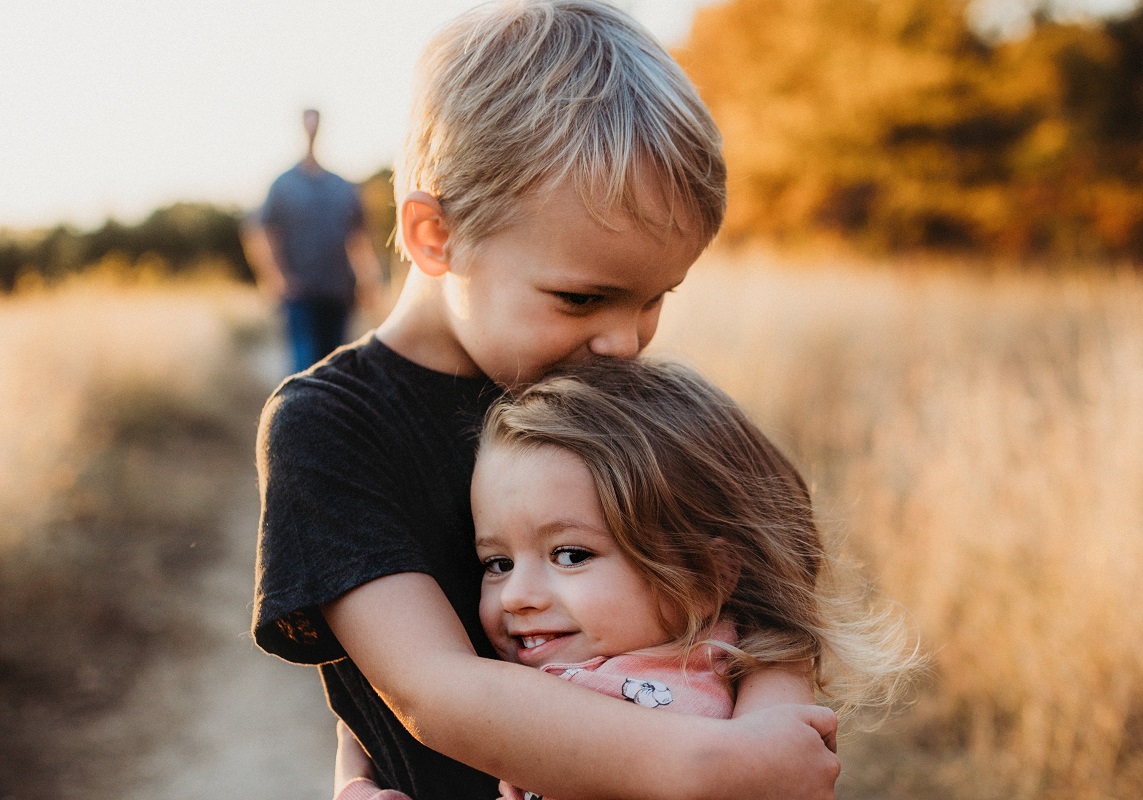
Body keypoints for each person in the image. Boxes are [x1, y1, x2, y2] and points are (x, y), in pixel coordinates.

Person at [252, 2, 841, 799]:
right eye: (581, 298)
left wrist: (766, 735)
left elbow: (773, 597)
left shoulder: (620, 404)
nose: (625, 342)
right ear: (434, 236)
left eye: (652, 299)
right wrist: (355, 771)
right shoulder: (333, 426)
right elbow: (416, 682)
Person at [331, 358, 921, 800]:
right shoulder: (520, 682)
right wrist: (357, 778)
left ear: (706, 573)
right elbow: (382, 695)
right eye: (497, 563)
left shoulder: (738, 698)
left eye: (570, 554)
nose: (517, 596)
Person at [242, 108, 385, 373]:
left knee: (334, 368)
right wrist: (275, 277)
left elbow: (359, 238)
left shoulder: (342, 186)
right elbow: (260, 231)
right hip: (300, 294)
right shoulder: (283, 185)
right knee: (304, 369)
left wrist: (368, 282)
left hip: (339, 291)